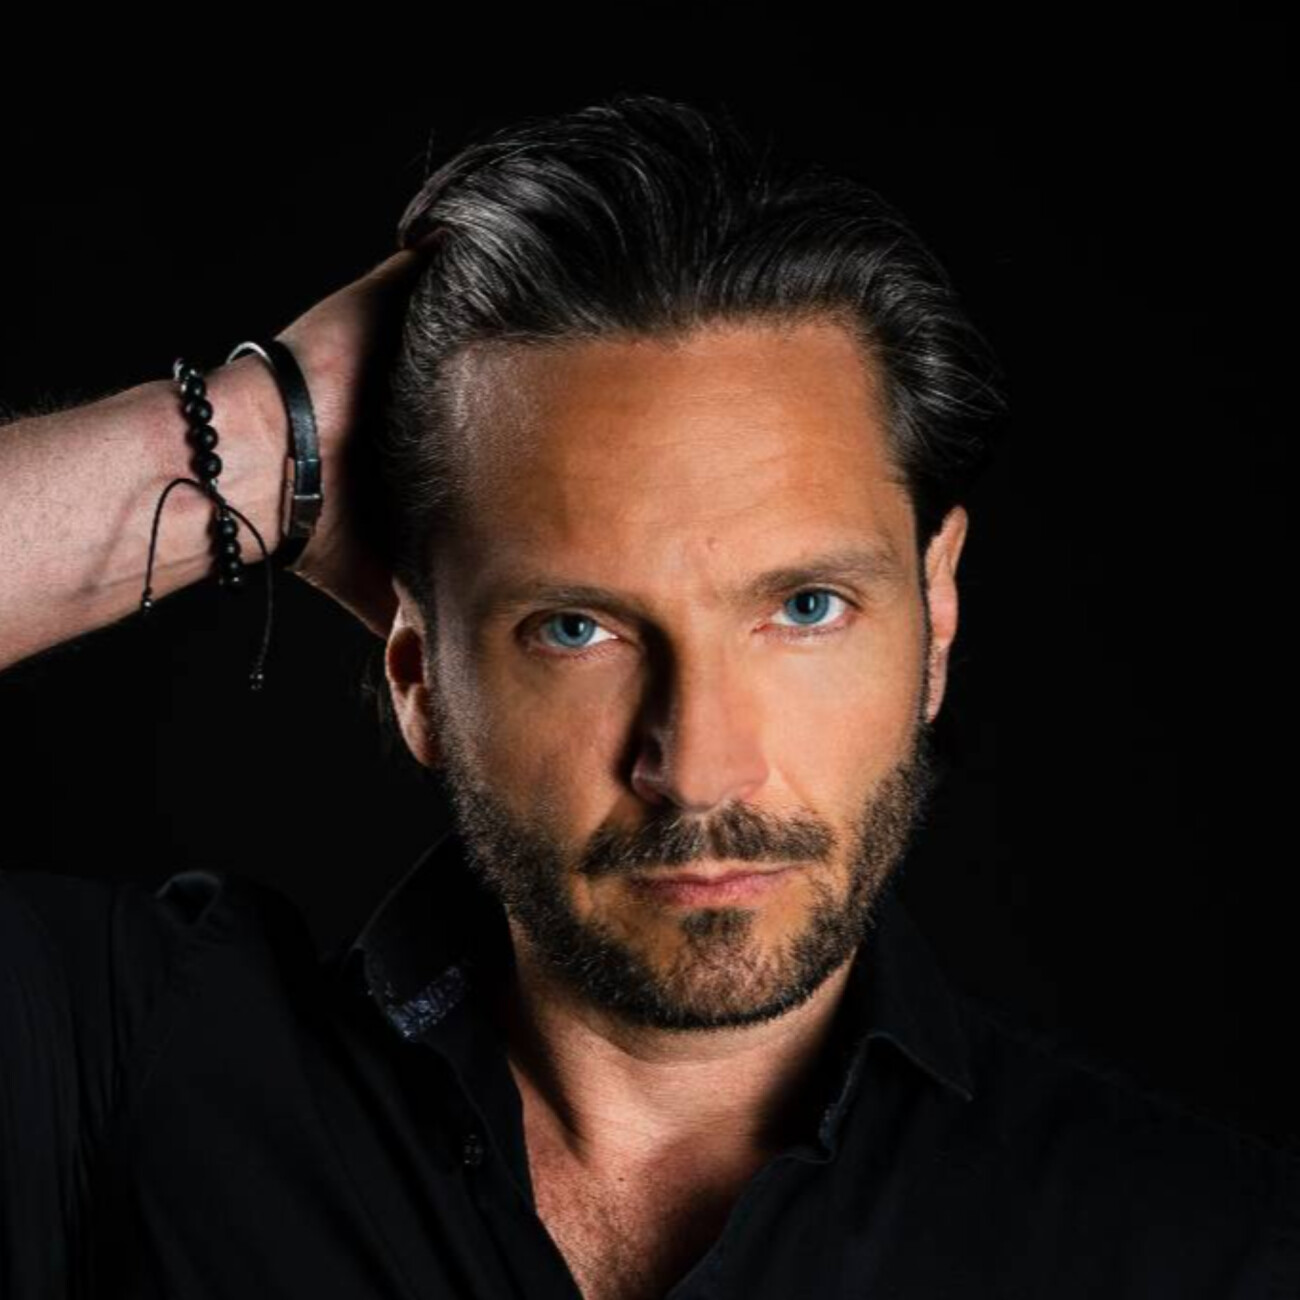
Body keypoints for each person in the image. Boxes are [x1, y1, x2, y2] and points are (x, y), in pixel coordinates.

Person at [0, 92, 1293, 1300]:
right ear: (418, 672)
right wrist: (254, 437)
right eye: (577, 628)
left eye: (806, 608)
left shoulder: (1203, 1248)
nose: (703, 768)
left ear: (935, 613)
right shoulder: (129, 1077)